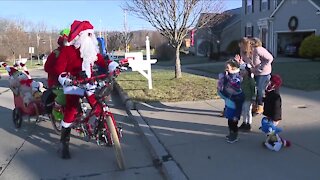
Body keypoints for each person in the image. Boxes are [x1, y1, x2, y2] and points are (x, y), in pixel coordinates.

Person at [52, 20, 118, 159]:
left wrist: (112, 65)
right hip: (73, 83)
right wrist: (64, 77)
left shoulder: (91, 50)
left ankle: (103, 130)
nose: (90, 38)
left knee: (98, 105)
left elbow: (101, 60)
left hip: (88, 81)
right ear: (80, 36)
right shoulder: (68, 50)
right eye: (87, 35)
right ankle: (64, 142)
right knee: (72, 110)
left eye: (91, 35)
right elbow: (58, 68)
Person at [260, 74, 290, 151]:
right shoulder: (270, 92)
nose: (267, 83)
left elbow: (277, 108)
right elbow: (267, 100)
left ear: (273, 84)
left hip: (274, 117)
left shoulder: (276, 96)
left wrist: (276, 118)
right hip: (269, 114)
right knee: (270, 132)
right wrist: (262, 99)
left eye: (269, 82)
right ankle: (282, 141)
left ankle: (275, 143)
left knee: (271, 131)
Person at [218, 59, 244, 143]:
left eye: (227, 67)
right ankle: (230, 133)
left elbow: (239, 106)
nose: (226, 69)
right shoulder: (228, 75)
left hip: (234, 104)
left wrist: (237, 115)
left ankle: (234, 136)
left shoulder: (237, 78)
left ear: (233, 68)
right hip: (229, 103)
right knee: (229, 122)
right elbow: (225, 85)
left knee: (233, 123)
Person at [251, 37, 273, 114]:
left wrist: (261, 67)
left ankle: (260, 106)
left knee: (259, 89)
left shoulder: (258, 49)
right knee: (256, 89)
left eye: (250, 43)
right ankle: (255, 106)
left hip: (263, 73)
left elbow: (270, 58)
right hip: (257, 72)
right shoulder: (253, 50)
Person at [238, 63, 256, 131]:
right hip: (242, 98)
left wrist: (253, 98)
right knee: (243, 111)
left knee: (248, 111)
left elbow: (254, 89)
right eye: (240, 70)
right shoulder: (242, 79)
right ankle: (244, 122)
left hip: (248, 98)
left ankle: (249, 124)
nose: (241, 72)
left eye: (243, 70)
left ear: (247, 71)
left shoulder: (250, 80)